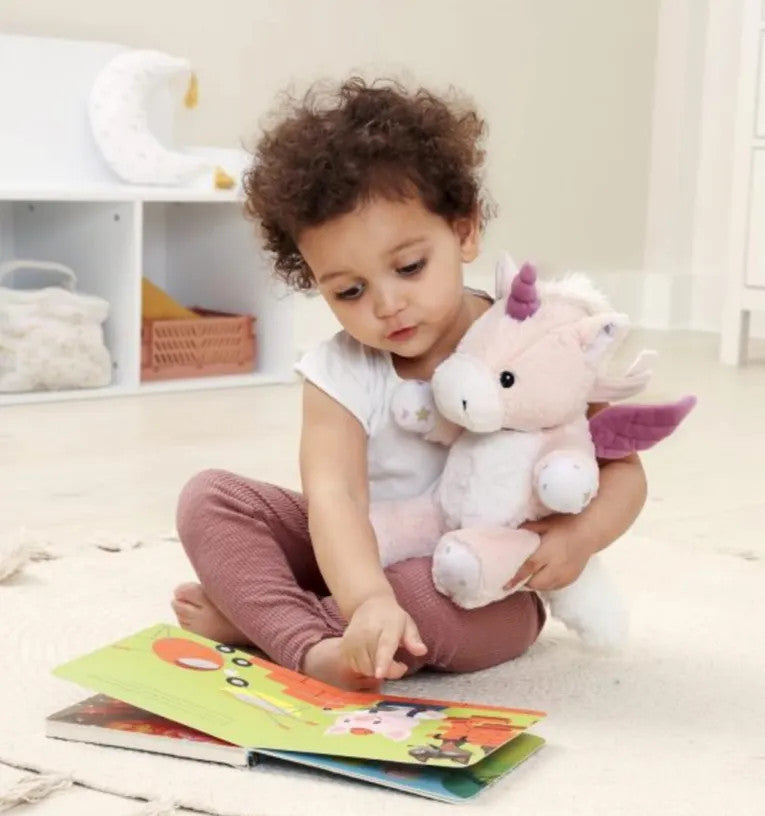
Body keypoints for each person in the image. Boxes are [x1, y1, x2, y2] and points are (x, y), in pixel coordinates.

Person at [172, 77, 647, 690]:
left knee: (424, 592)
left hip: (484, 583)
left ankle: (278, 624)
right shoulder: (339, 370)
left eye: (409, 268)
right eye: (349, 290)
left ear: (465, 230)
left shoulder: (532, 337)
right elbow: (335, 499)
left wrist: (581, 537)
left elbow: (623, 469)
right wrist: (366, 596)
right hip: (358, 558)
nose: (388, 305)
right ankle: (318, 639)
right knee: (211, 499)